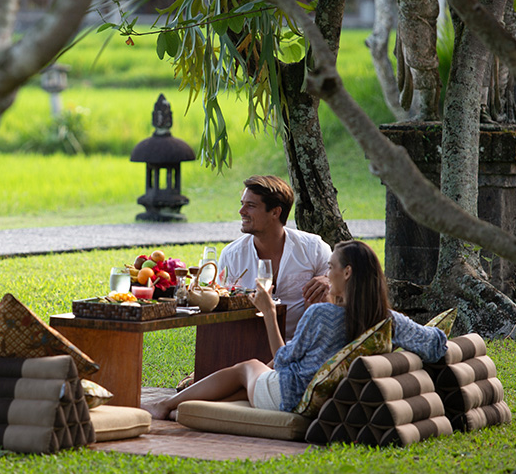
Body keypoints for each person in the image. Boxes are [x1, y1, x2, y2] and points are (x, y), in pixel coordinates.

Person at [144, 240, 448, 420]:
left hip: (289, 397)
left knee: (247, 367)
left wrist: (268, 312)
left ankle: (165, 404)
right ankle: (185, 408)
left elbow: (284, 359)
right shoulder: (389, 320)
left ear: (347, 272)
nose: (327, 274)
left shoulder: (321, 314)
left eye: (330, 268)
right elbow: (436, 344)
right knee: (251, 377)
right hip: (316, 393)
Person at [217, 175, 332, 337]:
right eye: (243, 204)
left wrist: (329, 280)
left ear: (275, 212)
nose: (241, 211)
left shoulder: (313, 248)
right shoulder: (232, 255)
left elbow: (344, 289)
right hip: (250, 344)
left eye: (250, 205)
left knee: (325, 294)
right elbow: (220, 305)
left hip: (303, 346)